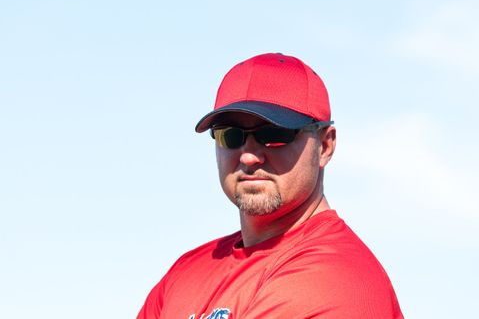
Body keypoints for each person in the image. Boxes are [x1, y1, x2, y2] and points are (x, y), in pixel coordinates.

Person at [138, 53, 403, 319]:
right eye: (230, 135)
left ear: (325, 145)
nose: (249, 156)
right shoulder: (185, 273)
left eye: (274, 134)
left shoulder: (337, 278)